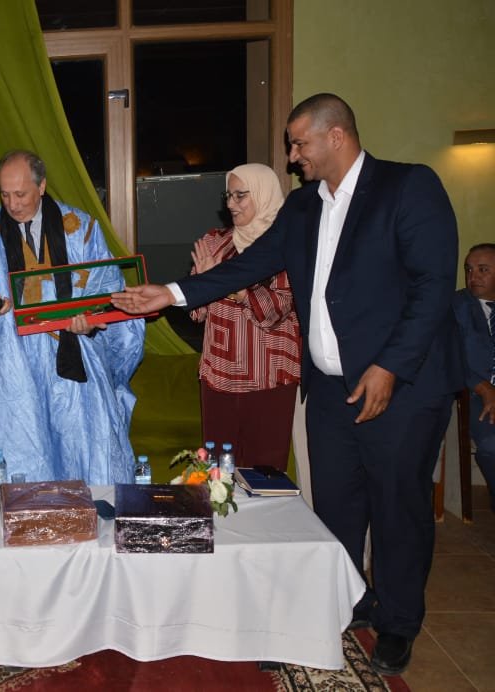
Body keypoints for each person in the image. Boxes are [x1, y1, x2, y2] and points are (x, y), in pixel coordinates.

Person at [112, 93, 459, 676]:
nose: (293, 156)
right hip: (329, 392)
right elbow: (247, 267)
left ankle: (398, 622)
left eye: (300, 144)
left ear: (336, 136)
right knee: (336, 508)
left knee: (396, 506)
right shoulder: (302, 207)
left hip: (400, 387)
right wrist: (169, 294)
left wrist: (390, 367)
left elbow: (432, 286)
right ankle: (342, 604)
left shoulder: (407, 187)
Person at [0, 150, 145, 485]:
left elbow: (108, 289)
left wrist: (90, 322)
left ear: (41, 186)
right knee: (21, 454)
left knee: (84, 451)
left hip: (74, 364)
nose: (12, 204)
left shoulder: (81, 229)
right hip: (13, 370)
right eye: (4, 194)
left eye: (20, 194)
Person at [189, 163, 300, 470]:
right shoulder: (214, 243)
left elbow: (276, 311)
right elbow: (196, 312)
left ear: (264, 195)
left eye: (240, 195)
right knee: (218, 476)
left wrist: (223, 283)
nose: (230, 204)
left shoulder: (287, 245)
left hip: (269, 377)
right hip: (218, 377)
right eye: (228, 195)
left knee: (265, 476)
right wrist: (202, 284)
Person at [452, 243, 495, 511]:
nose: (473, 276)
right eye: (469, 270)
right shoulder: (455, 306)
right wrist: (483, 387)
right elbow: (449, 357)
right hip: (475, 393)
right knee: (492, 444)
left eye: (483, 270)